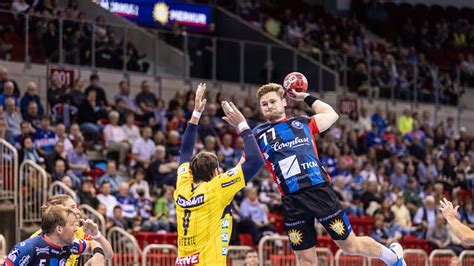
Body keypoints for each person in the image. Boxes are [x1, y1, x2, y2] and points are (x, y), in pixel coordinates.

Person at [253, 83, 405, 266]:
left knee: (349, 246)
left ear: (284, 102)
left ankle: (393, 258)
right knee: (305, 259)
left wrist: (305, 97)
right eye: (264, 104)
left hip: (318, 190)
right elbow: (245, 164)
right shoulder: (257, 135)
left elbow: (332, 115)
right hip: (292, 200)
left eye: (272, 101)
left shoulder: (302, 123)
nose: (269, 106)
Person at [174, 83, 264, 265]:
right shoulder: (217, 187)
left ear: (191, 172)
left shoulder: (183, 184)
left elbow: (184, 151)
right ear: (216, 172)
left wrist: (196, 114)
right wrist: (243, 125)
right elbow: (256, 161)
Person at [4, 204, 113, 266]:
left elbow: (93, 245)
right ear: (59, 229)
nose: (76, 228)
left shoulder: (69, 244)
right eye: (72, 224)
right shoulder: (29, 248)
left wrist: (98, 254)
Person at [28, 194, 114, 265]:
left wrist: (96, 235)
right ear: (60, 211)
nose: (78, 212)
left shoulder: (78, 232)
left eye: (76, 207)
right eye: (73, 207)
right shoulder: (37, 240)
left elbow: (108, 254)